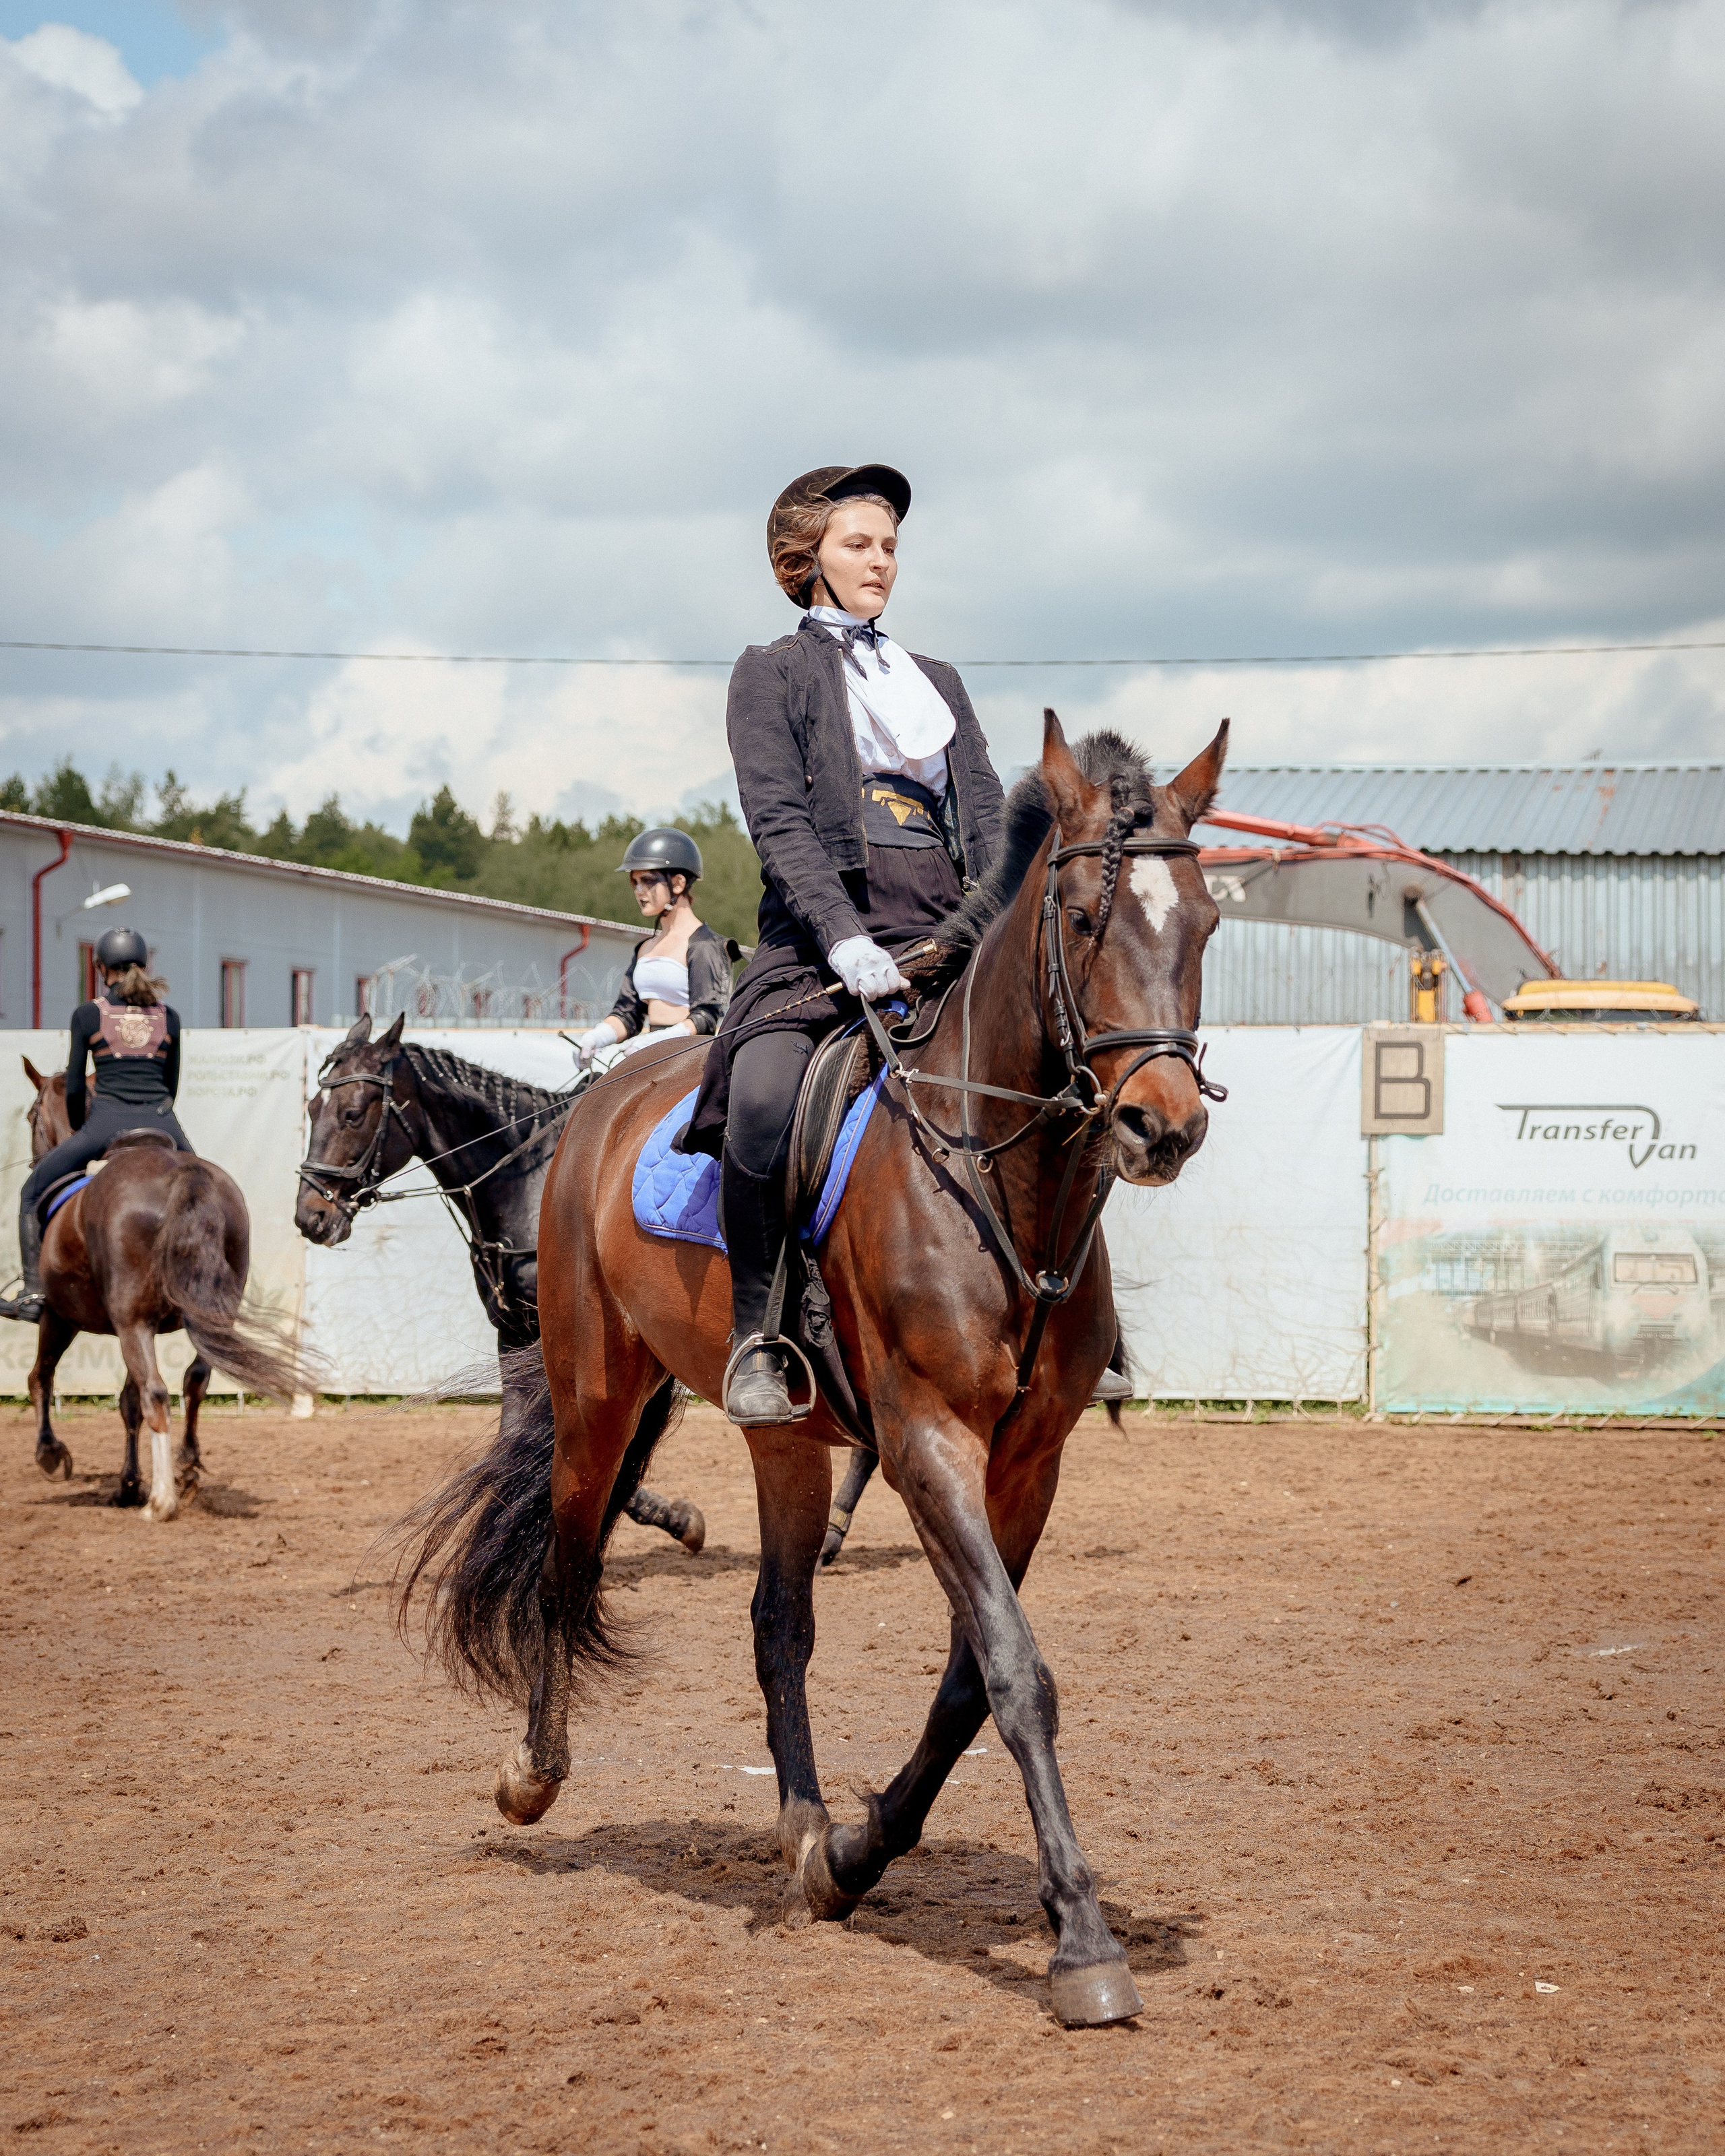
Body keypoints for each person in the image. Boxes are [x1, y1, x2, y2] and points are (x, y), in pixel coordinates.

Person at [681, 463, 1007, 1424]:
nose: (881, 562)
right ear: (806, 556)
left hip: (946, 922)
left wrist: (989, 921)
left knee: (1060, 1066)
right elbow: (777, 821)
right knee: (767, 1096)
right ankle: (757, 1336)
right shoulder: (769, 672)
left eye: (891, 547)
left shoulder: (937, 682)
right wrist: (843, 938)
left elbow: (986, 818)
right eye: (860, 544)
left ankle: (1081, 1320)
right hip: (824, 933)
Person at [1, 926, 191, 1323]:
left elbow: (73, 1086)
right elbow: (171, 1087)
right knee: (202, 1191)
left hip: (105, 1124)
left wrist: (80, 1130)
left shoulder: (89, 1014)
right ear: (144, 965)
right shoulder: (168, 1017)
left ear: (102, 968)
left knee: (32, 1193)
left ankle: (34, 1290)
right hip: (163, 1124)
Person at [569, 828, 733, 1071]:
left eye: (647, 881)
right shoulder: (645, 948)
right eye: (634, 882)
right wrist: (596, 1037)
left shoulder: (704, 946)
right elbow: (628, 1014)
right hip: (647, 1057)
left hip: (690, 1063)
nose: (638, 891)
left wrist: (658, 1041)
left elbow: (706, 1018)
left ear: (678, 883)